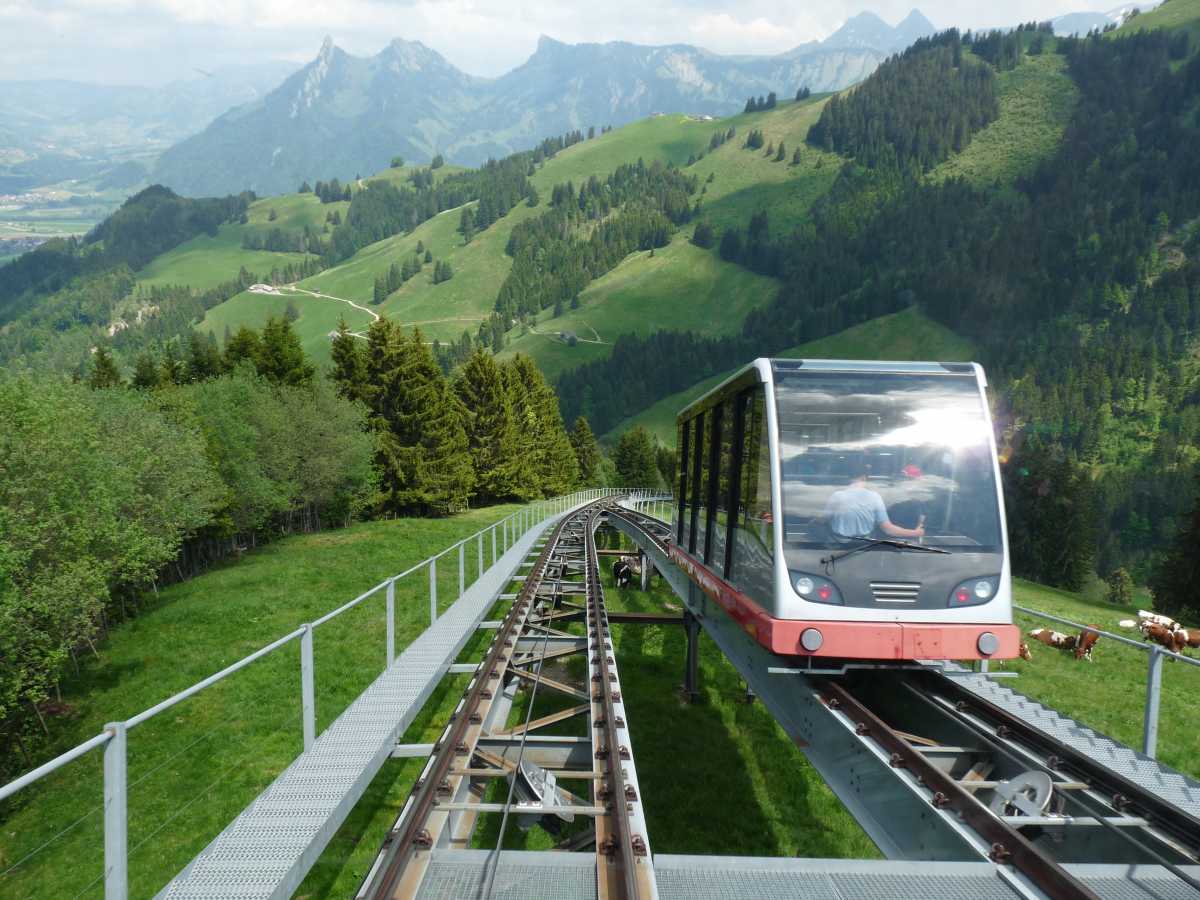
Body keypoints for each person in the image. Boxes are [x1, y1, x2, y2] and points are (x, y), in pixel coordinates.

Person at [823, 466, 924, 540]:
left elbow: (824, 520)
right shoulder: (874, 497)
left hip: (834, 549)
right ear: (864, 478)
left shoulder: (836, 496)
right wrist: (916, 533)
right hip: (865, 549)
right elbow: (888, 530)